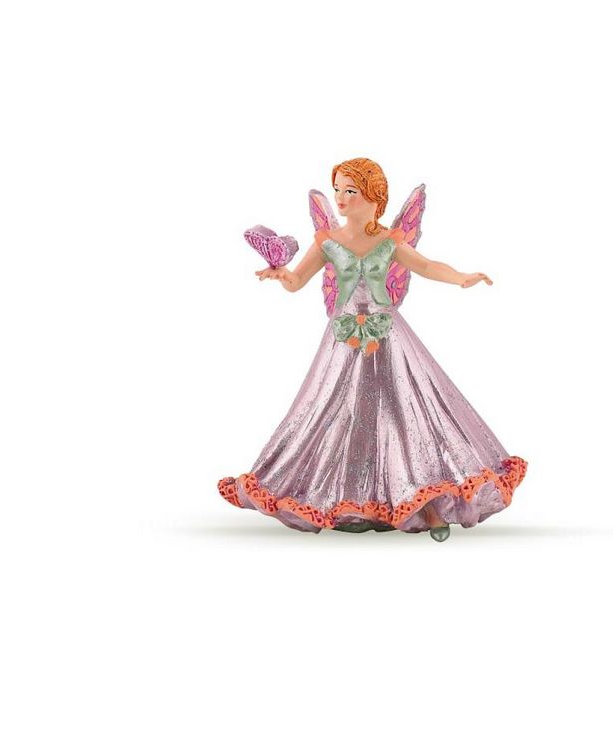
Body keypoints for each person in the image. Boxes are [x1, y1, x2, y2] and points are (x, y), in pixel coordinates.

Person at [218, 157, 527, 541]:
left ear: (373, 197)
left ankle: (424, 500)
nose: (341, 197)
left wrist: (461, 277)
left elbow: (427, 266)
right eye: (338, 189)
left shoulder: (389, 241)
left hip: (388, 335)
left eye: (351, 190)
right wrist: (282, 274)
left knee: (404, 410)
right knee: (339, 411)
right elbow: (297, 282)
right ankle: (345, 497)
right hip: (344, 338)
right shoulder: (327, 241)